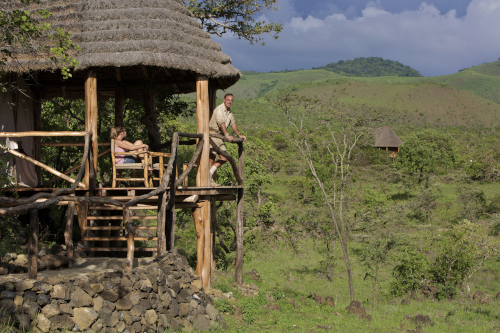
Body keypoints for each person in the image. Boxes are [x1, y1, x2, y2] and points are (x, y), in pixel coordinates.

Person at [209, 93, 246, 186]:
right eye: (228, 100)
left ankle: (208, 175)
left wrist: (239, 134)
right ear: (224, 100)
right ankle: (209, 181)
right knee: (212, 158)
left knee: (224, 157)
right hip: (213, 135)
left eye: (231, 100)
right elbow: (221, 123)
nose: (230, 102)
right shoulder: (219, 109)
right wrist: (227, 134)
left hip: (220, 136)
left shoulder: (229, 112)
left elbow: (233, 123)